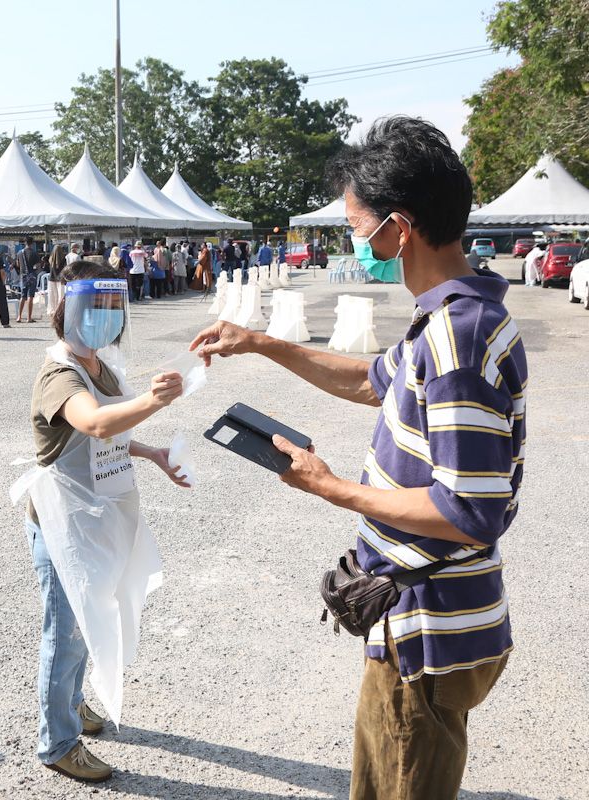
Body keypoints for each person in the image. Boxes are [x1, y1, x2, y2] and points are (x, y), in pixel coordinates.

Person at [190, 117, 523, 800]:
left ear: (398, 229)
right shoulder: (450, 317)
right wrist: (261, 343)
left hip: (427, 631)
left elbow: (468, 510)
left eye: (355, 226)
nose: (354, 242)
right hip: (421, 620)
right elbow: (376, 379)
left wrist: (331, 488)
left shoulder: (458, 339)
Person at [11, 258, 189, 783]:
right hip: (62, 522)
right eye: (96, 307)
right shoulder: (59, 373)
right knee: (64, 633)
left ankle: (71, 704)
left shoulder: (98, 365)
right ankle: (58, 741)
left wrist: (151, 452)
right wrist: (150, 402)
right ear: (67, 310)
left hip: (93, 517)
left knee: (87, 624)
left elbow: (103, 435)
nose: (106, 317)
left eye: (114, 307)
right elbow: (90, 420)